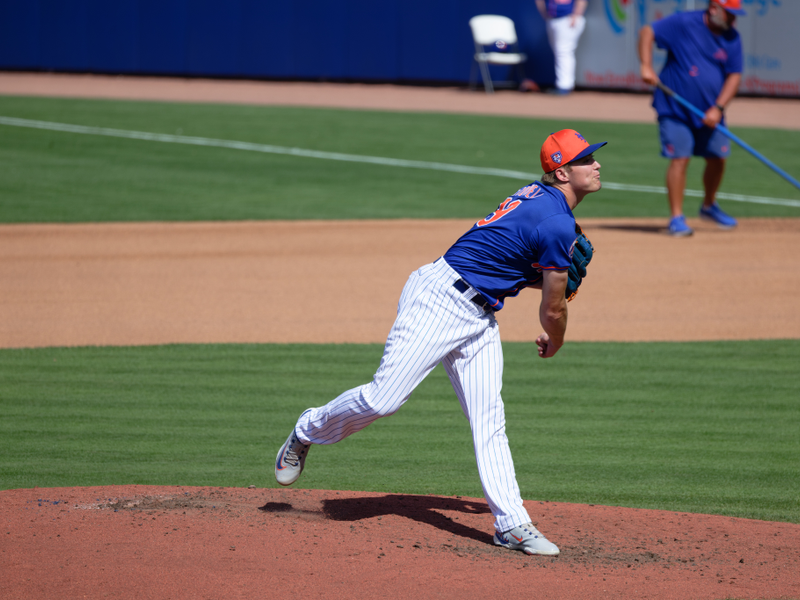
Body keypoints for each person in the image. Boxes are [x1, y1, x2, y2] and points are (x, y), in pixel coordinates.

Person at [275, 129, 607, 556]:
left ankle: (512, 525)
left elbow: (509, 254)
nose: (596, 165)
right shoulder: (556, 222)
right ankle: (307, 429)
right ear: (562, 172)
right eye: (586, 160)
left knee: (489, 420)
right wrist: (556, 338)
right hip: (440, 300)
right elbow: (553, 310)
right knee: (383, 400)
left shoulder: (541, 199)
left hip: (479, 314)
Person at [638, 0, 746, 237]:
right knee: (680, 158)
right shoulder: (684, 22)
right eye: (730, 14)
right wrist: (646, 66)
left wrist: (718, 108)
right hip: (674, 108)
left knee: (718, 158)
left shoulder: (732, 37)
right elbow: (647, 31)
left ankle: (708, 205)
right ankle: (677, 217)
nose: (733, 20)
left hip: (710, 112)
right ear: (714, 9)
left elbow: (734, 76)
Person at [535, 0, 589, 95]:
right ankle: (564, 85)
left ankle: (564, 86)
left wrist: (575, 15)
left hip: (568, 19)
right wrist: (545, 15)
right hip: (553, 19)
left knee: (563, 52)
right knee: (560, 52)